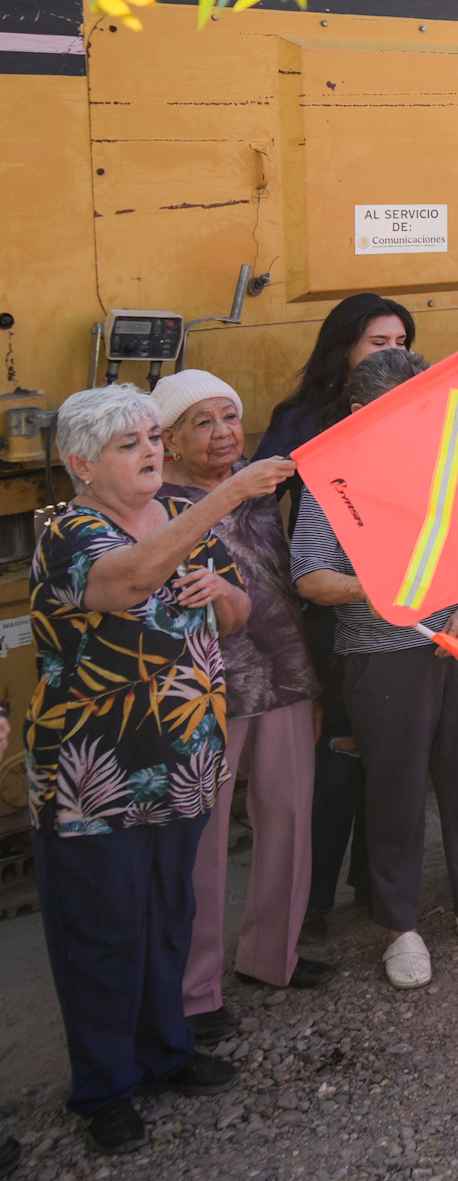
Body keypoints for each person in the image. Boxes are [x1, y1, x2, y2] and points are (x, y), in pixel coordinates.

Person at [28, 384, 292, 1153]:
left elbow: (238, 611)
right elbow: (131, 580)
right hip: (94, 773)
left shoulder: (178, 517)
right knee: (101, 932)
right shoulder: (66, 530)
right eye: (128, 444)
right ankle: (105, 1088)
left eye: (151, 437)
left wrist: (222, 592)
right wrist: (235, 492)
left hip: (183, 757)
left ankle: (164, 1050)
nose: (150, 451)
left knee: (167, 915)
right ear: (81, 463)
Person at [291, 350, 458, 989]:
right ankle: (400, 925)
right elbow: (309, 574)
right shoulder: (331, 477)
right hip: (385, 654)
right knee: (393, 789)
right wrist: (376, 594)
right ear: (360, 412)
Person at [151, 371, 331, 1050]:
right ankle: (196, 990)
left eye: (231, 416)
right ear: (167, 440)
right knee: (204, 844)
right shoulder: (158, 505)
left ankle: (272, 955)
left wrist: (308, 681)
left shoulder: (259, 492)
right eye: (203, 421)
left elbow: (281, 585)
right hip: (203, 695)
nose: (225, 432)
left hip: (280, 679)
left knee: (288, 819)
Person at [255, 293, 415, 941]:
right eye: (379, 341)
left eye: (402, 340)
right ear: (343, 344)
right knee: (338, 755)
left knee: (390, 755)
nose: (394, 351)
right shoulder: (300, 420)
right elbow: (261, 509)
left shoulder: (419, 411)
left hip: (400, 615)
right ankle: (312, 902)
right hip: (330, 604)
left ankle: (377, 884)